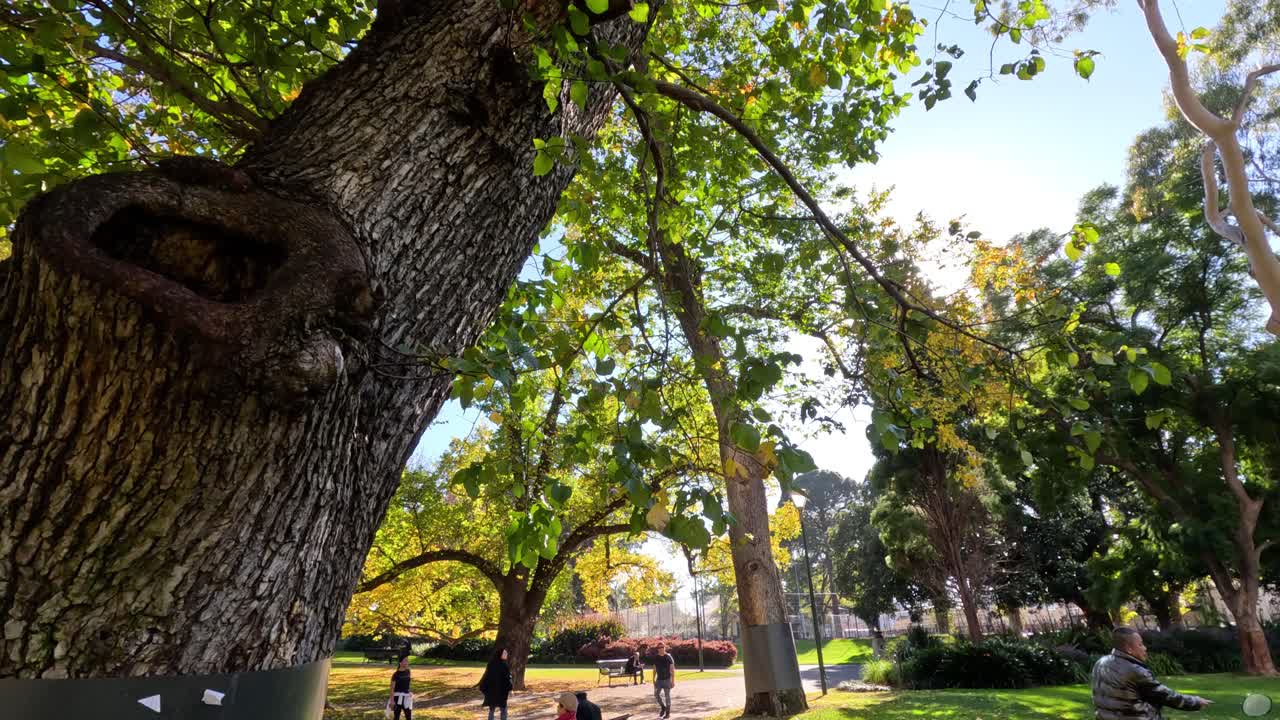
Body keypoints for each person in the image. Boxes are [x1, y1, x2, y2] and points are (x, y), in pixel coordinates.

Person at [1092, 627, 1211, 720]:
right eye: (1140, 644)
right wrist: (1195, 702)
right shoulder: (1135, 670)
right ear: (1129, 649)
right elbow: (1165, 695)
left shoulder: (1100, 662)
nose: (1145, 648)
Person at [479, 647, 514, 720]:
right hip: (501, 692)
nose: (506, 654)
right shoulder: (504, 666)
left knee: (492, 710)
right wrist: (510, 688)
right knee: (503, 710)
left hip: (492, 691)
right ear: (500, 654)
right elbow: (507, 679)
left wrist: (483, 688)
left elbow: (486, 677)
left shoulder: (491, 664)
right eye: (504, 653)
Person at [652, 643, 676, 719]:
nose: (661, 648)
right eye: (659, 647)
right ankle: (663, 707)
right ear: (657, 649)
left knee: (667, 696)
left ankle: (668, 713)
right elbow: (654, 668)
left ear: (664, 648)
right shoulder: (656, 657)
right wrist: (653, 679)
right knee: (656, 694)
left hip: (667, 679)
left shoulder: (668, 657)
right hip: (659, 680)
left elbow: (672, 670)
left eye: (662, 647)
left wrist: (673, 681)